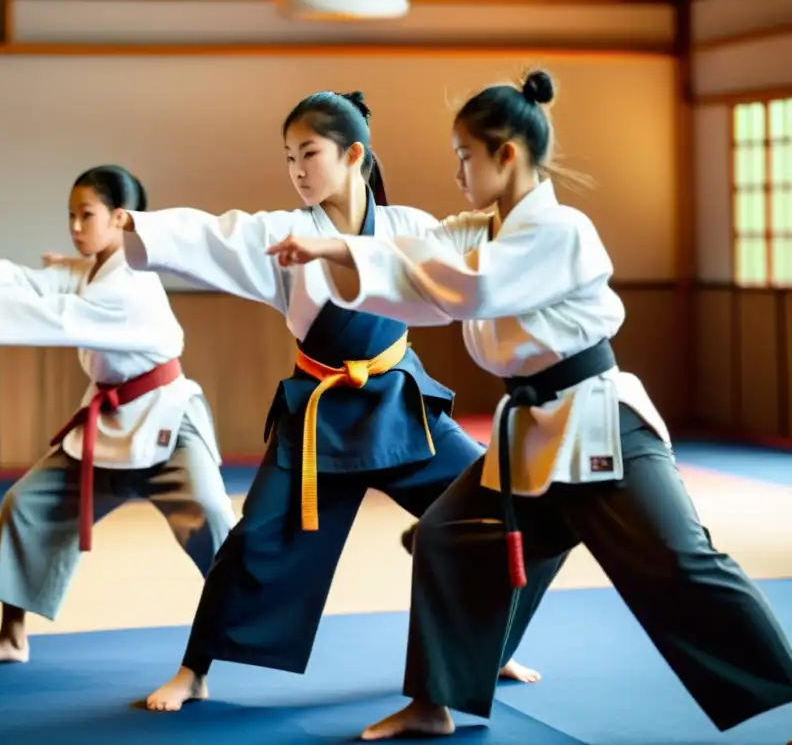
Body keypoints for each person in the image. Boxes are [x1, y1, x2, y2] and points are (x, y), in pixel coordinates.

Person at [266, 69, 792, 740]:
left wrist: (333, 243)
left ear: (505, 155)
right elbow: (415, 257)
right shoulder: (479, 228)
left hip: (600, 424)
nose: (457, 173)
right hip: (534, 435)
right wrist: (337, 245)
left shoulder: (561, 230)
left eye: (466, 157)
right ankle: (434, 702)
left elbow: (473, 289)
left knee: (682, 564)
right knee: (446, 536)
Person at [111, 89, 537, 712]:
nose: (298, 170)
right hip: (318, 413)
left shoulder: (409, 226)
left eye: (309, 153)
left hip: (400, 400)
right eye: (289, 158)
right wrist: (145, 227)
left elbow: (472, 255)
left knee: (495, 508)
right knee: (254, 542)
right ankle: (195, 669)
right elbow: (216, 233)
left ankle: (486, 645)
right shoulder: (286, 232)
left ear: (352, 154)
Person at [0, 165, 237, 669]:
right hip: (107, 422)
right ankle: (11, 636)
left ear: (120, 219)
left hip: (167, 418)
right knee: (26, 504)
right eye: (71, 215)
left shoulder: (130, 281)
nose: (75, 226)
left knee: (213, 514)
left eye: (86, 215)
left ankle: (246, 623)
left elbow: (59, 314)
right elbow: (49, 280)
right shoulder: (94, 267)